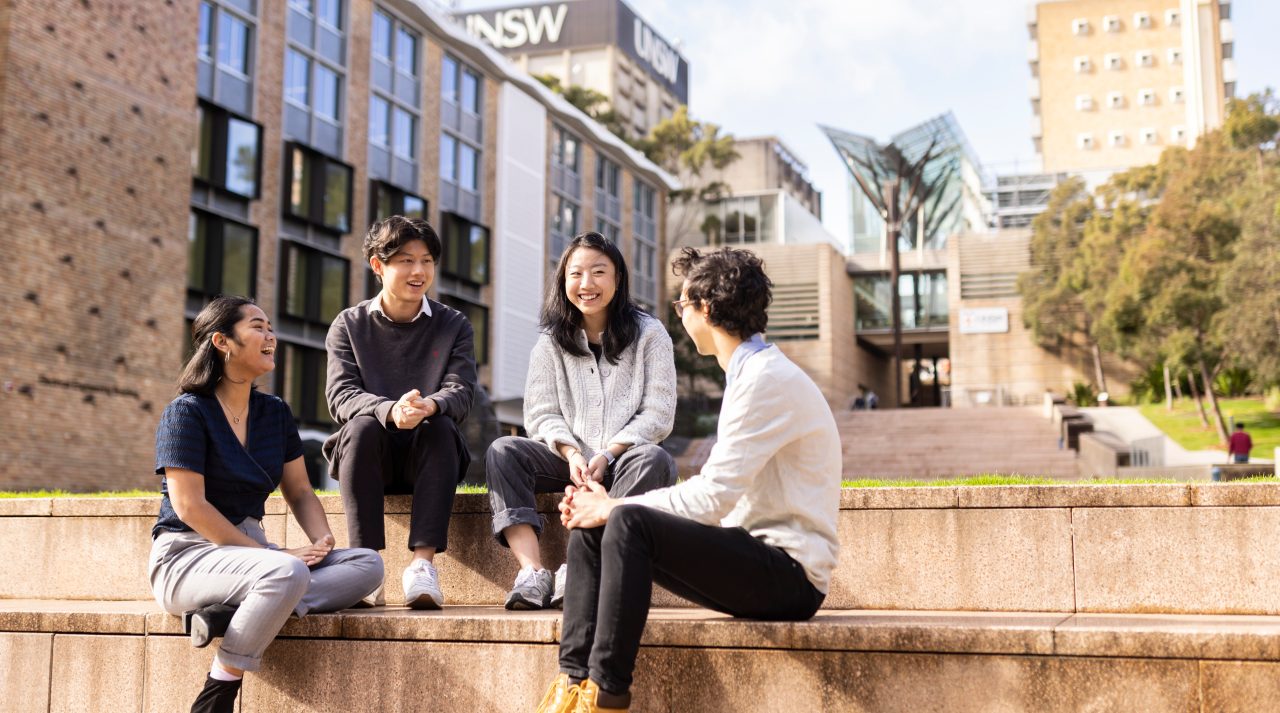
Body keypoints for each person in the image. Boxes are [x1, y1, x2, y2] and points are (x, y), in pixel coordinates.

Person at [535, 247, 841, 713]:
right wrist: (601, 509)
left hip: (789, 576)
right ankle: (572, 682)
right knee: (595, 520)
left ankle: (604, 695)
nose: (679, 315)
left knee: (624, 520)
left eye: (683, 305)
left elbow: (714, 496)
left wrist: (614, 506)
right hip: (754, 553)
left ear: (707, 308)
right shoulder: (749, 373)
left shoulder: (766, 380)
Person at [149, 297, 384, 713]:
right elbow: (190, 507)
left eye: (271, 326)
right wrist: (275, 556)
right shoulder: (185, 413)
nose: (270, 335)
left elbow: (299, 491)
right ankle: (219, 688)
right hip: (186, 556)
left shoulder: (274, 413)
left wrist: (322, 539)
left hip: (253, 560)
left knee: (368, 564)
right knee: (287, 569)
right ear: (222, 341)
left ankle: (235, 612)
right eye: (258, 326)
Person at [487, 231, 677, 611]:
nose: (586, 284)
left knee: (656, 460)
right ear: (563, 281)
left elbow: (658, 413)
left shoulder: (650, 334)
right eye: (576, 274)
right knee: (503, 451)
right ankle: (533, 573)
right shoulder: (550, 342)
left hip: (623, 461)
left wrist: (608, 453)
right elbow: (540, 414)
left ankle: (579, 568)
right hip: (566, 461)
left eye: (598, 272)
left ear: (618, 279)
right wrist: (573, 454)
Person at [324, 216, 477, 609]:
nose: (419, 271)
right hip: (368, 455)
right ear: (378, 265)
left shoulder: (454, 324)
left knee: (440, 426)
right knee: (360, 428)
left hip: (428, 457)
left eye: (426, 261)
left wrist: (431, 405)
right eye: (406, 260)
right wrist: (390, 411)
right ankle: (366, 565)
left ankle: (422, 568)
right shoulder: (348, 325)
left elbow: (460, 391)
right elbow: (340, 395)